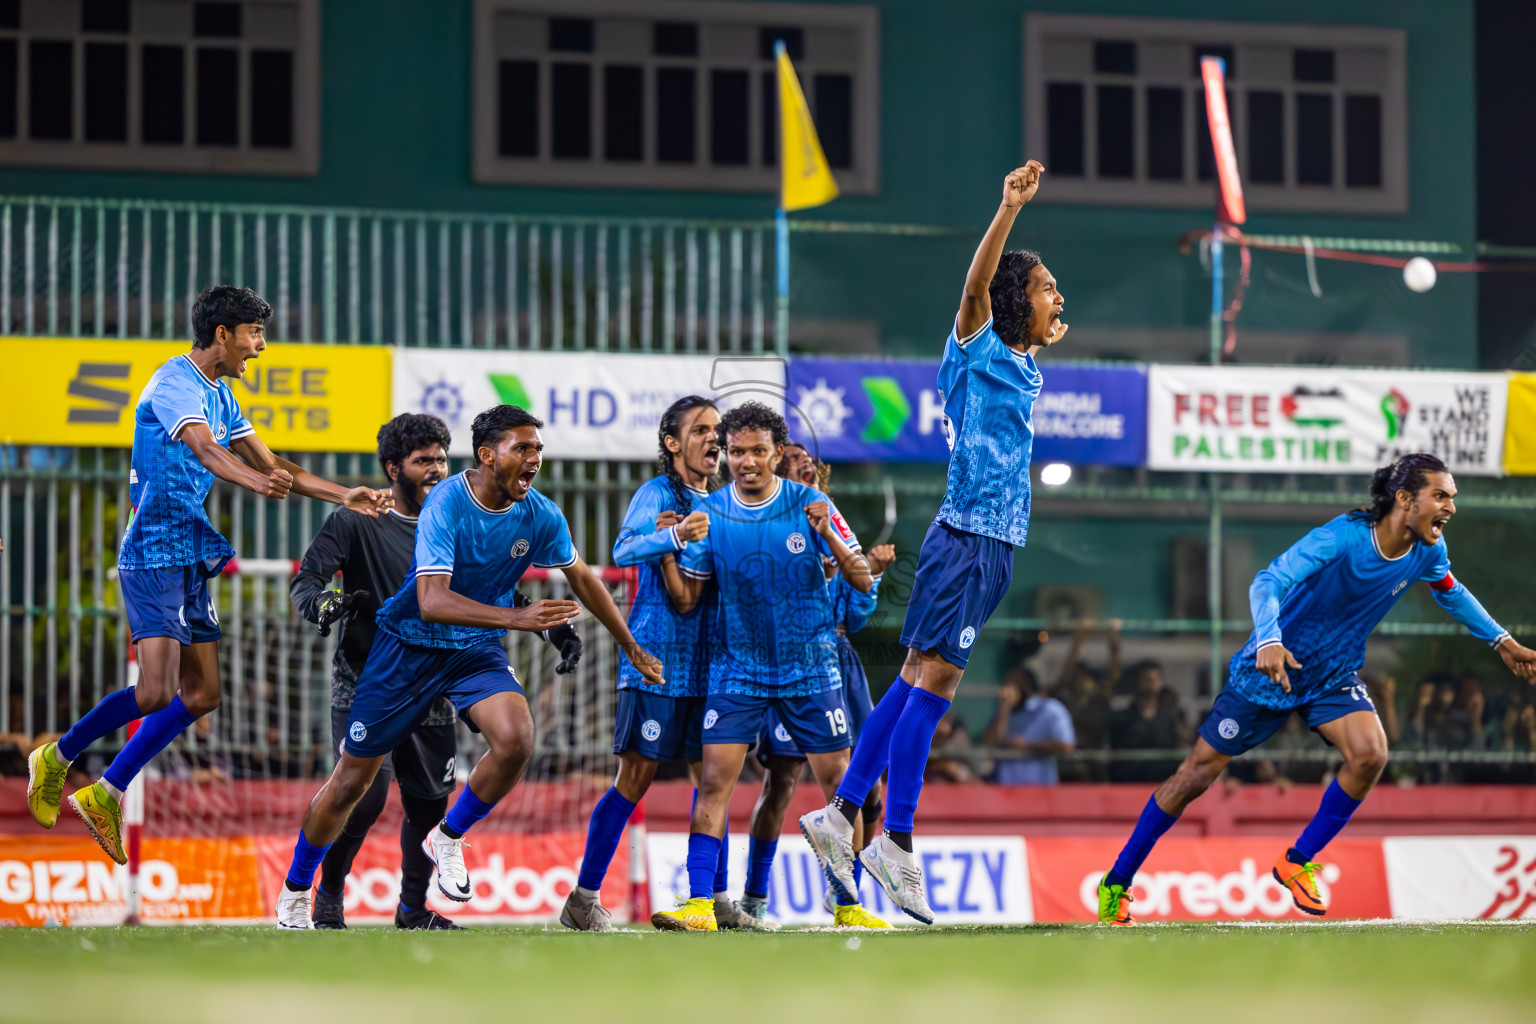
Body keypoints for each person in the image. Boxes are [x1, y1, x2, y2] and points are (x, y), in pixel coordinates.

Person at [27, 286, 391, 862]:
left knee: (202, 693)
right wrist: (255, 483)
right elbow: (204, 451)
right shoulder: (174, 383)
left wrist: (347, 495)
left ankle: (108, 791)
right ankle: (56, 756)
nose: (261, 347)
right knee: (154, 691)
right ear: (223, 334)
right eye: (254, 334)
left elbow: (274, 465)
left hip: (191, 553)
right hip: (151, 553)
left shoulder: (223, 396)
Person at [1095, 453, 1536, 925]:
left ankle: (1296, 862)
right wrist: (1269, 639)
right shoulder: (1343, 537)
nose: (1450, 507)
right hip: (1270, 670)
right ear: (1405, 499)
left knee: (1370, 755)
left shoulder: (1429, 550)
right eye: (1441, 496)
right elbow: (1269, 580)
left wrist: (1502, 641)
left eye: (1452, 497)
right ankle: (1116, 883)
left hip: (1331, 676)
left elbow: (1450, 589)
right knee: (1194, 777)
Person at [273, 405, 664, 928]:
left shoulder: (541, 514)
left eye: (538, 450)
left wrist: (630, 644)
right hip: (405, 648)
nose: (535, 459)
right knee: (352, 787)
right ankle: (299, 890)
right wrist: (519, 618)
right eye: (523, 448)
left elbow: (583, 578)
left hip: (472, 647)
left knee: (515, 738)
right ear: (487, 454)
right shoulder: (445, 505)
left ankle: (448, 838)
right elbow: (432, 600)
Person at [800, 161, 1068, 924]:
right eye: (1048, 287)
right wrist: (1007, 208)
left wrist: (1042, 335)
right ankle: (896, 840)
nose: (1058, 298)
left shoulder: (1015, 365)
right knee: (936, 685)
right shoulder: (978, 342)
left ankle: (847, 818)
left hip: (984, 543)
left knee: (917, 679)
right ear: (1016, 298)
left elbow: (1019, 332)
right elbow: (977, 289)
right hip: (970, 538)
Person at [653, 401, 873, 931]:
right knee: (713, 783)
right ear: (725, 455)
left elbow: (864, 580)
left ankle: (848, 905)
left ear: (777, 453)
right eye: (736, 451)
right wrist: (668, 544)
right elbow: (687, 600)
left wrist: (831, 542)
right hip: (738, 670)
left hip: (811, 668)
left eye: (757, 451)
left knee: (841, 785)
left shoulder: (811, 502)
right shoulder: (711, 515)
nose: (746, 460)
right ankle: (702, 904)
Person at [561, 396, 767, 932]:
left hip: (714, 668)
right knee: (635, 778)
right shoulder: (656, 494)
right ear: (673, 443)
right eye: (699, 430)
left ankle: (717, 899)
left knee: (713, 779)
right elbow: (622, 550)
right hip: (656, 661)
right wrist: (673, 535)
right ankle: (583, 899)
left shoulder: (725, 502)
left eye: (717, 430)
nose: (713, 439)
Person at [739, 447, 894, 929]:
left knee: (868, 787)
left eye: (810, 463)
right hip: (791, 658)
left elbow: (856, 612)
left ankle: (845, 894)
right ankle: (754, 898)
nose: (804, 466)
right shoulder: (772, 523)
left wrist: (870, 572)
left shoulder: (834, 525)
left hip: (840, 661)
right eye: (793, 462)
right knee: (782, 781)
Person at [985, 667, 1075, 785]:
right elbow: (990, 741)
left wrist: (1026, 745)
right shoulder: (1001, 710)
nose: (1009, 689)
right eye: (1007, 684)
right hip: (1005, 789)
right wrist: (1004, 709)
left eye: (1015, 684)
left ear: (1028, 685)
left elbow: (1067, 746)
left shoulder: (1050, 709)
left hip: (1040, 788)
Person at [1107, 661, 1190, 783]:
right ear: (1137, 682)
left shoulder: (1172, 715)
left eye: (1157, 678)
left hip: (1164, 782)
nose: (1152, 682)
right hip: (1131, 783)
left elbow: (1188, 739)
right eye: (1147, 678)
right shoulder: (1122, 718)